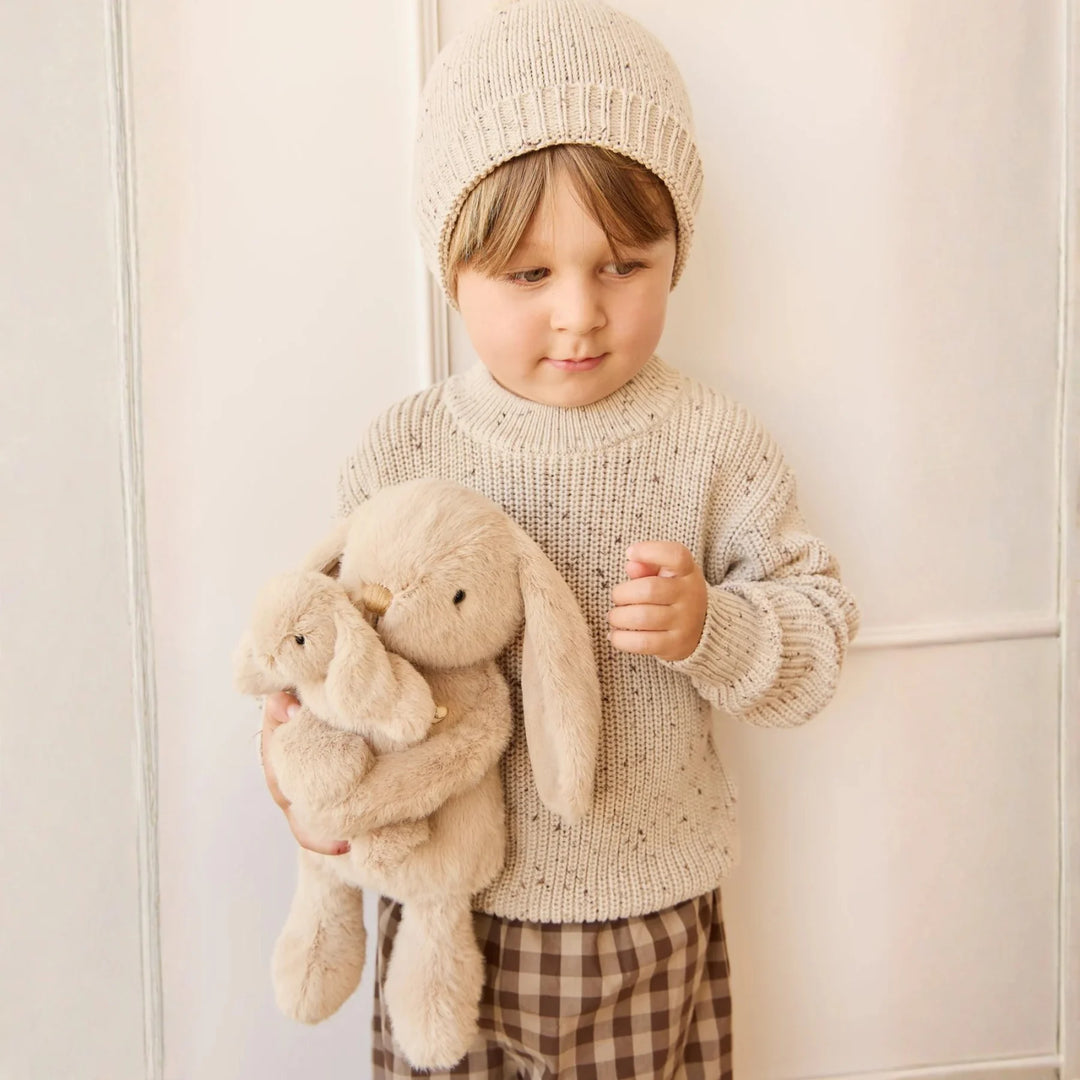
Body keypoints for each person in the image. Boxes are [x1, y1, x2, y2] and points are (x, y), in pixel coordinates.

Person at [260, 1, 860, 1075]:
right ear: (454, 271)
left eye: (623, 263)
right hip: (442, 907)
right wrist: (300, 773)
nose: (579, 314)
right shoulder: (404, 452)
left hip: (641, 919)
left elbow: (813, 643)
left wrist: (709, 629)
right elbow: (319, 659)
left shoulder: (710, 446)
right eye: (529, 275)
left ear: (677, 249)